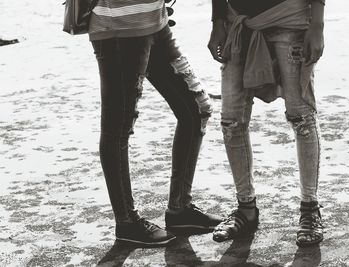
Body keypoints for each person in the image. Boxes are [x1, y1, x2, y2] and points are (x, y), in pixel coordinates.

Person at [88, 0, 222, 246]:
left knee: (197, 109)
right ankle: (127, 222)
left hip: (154, 22)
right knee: (118, 127)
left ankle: (179, 210)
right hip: (119, 26)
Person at [208, 0, 325, 247]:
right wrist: (217, 22)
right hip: (237, 21)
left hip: (289, 18)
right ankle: (246, 209)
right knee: (231, 122)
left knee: (301, 117)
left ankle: (310, 209)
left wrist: (317, 24)